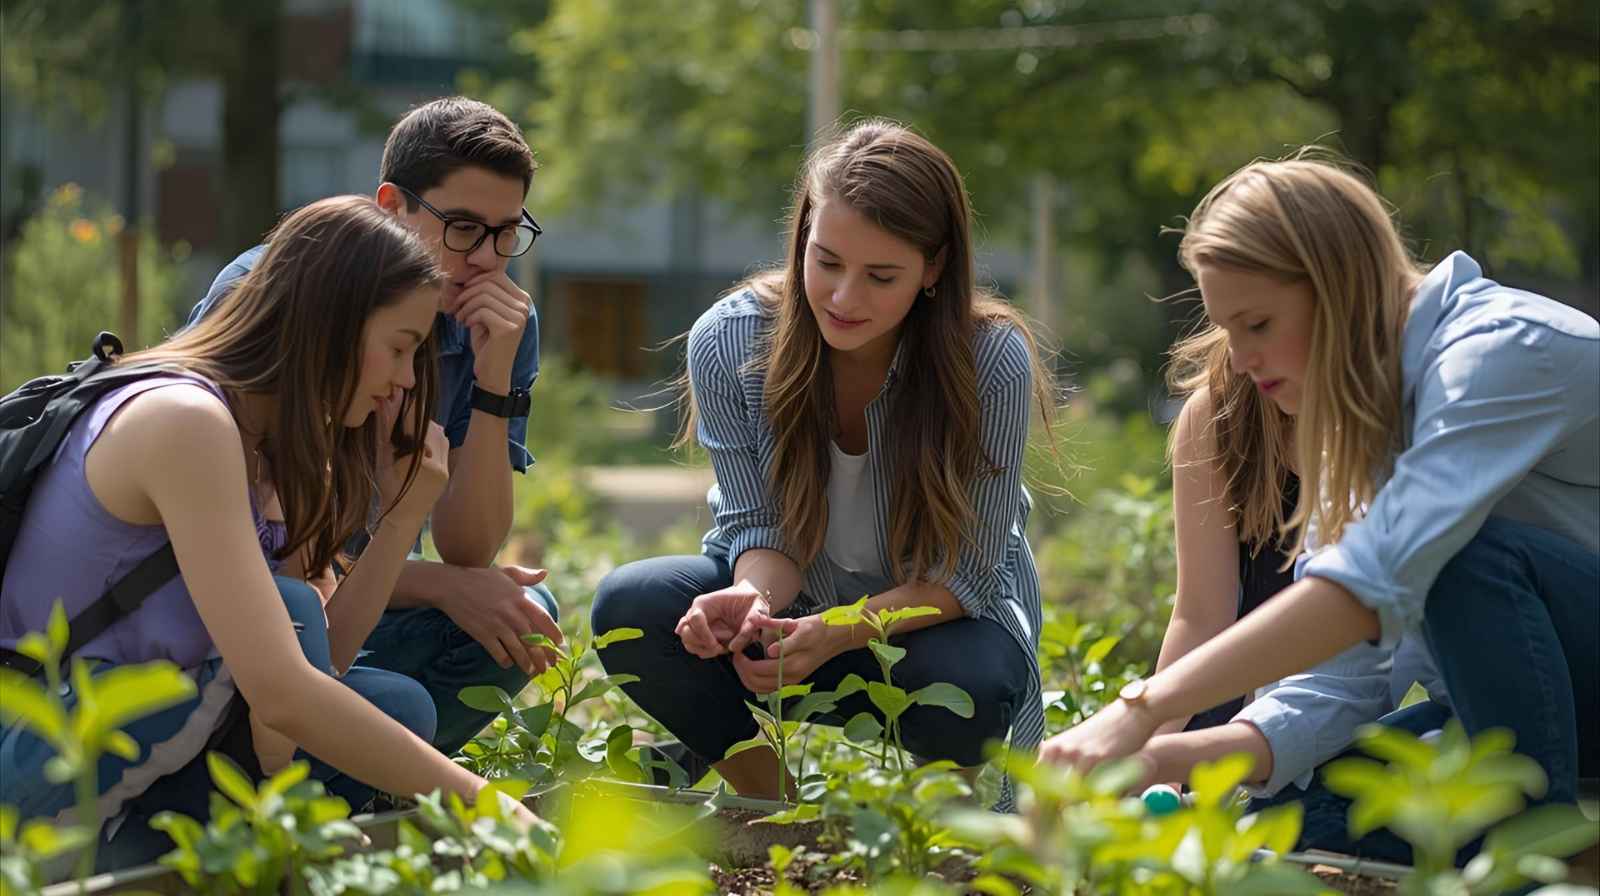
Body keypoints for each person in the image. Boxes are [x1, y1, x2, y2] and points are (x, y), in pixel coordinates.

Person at [1040, 156, 1598, 824]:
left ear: (1339, 287)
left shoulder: (1498, 353)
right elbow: (1336, 679)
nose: (1240, 361)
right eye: (1227, 330)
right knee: (1287, 820)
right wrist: (1161, 759)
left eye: (1258, 325)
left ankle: (1536, 843)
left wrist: (1143, 708)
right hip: (1509, 716)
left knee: (1464, 557)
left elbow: (1369, 585)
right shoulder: (1359, 425)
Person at [0, 196, 538, 864]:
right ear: (333, 326)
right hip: (37, 748)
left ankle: (215, 848)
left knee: (388, 698)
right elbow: (283, 690)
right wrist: (487, 806)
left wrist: (403, 514)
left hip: (134, 735)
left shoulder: (262, 435)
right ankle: (123, 857)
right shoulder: (186, 421)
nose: (404, 381)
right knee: (288, 620)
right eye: (400, 349)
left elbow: (325, 660)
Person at [590, 120, 1058, 804]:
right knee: (633, 607)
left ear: (933, 269)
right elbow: (762, 530)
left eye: (881, 276)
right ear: (802, 235)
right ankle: (771, 804)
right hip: (792, 620)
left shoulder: (989, 362)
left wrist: (837, 632)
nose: (844, 298)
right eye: (827, 261)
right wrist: (751, 601)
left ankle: (924, 827)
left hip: (924, 636)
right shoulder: (732, 339)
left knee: (976, 682)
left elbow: (967, 577)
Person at [186, 97, 558, 755]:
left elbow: (470, 548)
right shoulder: (276, 292)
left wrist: (494, 379)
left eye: (507, 232)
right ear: (392, 204)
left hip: (348, 604)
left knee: (519, 621)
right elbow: (259, 558)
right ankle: (327, 773)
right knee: (348, 656)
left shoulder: (497, 322)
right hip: (238, 614)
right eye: (465, 227)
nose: (487, 259)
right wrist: (441, 583)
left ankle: (360, 773)